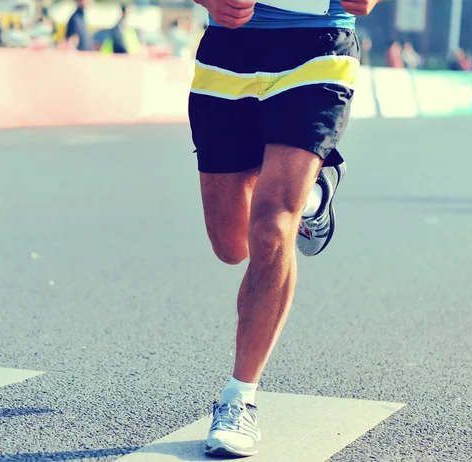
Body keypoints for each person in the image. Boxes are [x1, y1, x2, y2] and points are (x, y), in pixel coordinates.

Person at [189, 0, 383, 457]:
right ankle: (312, 193)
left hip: (316, 46)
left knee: (271, 226)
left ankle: (239, 398)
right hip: (229, 48)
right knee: (232, 244)